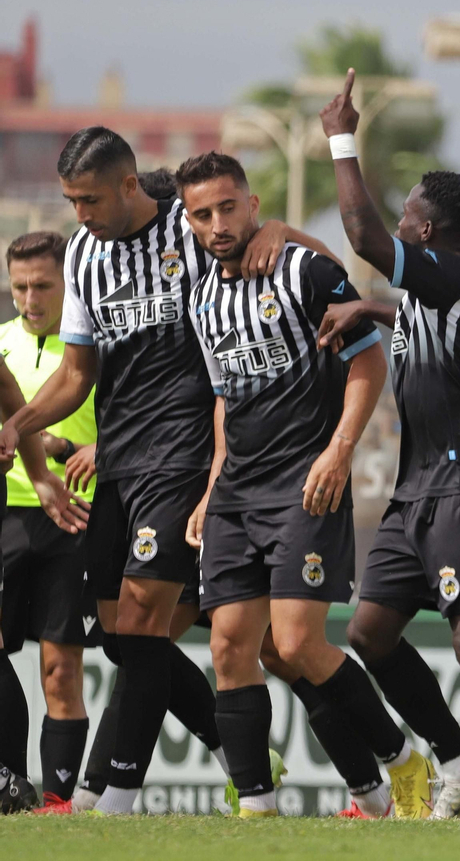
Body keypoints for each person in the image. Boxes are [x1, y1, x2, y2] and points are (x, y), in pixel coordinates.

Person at [0, 127, 325, 814]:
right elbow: (77, 373)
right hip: (118, 459)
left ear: (127, 186)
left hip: (186, 455)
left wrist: (286, 230)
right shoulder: (85, 253)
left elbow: (300, 263)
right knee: (120, 639)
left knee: (147, 622)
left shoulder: (191, 226)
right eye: (70, 200)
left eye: (89, 198)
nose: (79, 214)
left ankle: (110, 794)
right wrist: (16, 425)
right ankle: (235, 750)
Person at [173, 151, 435, 819]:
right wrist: (210, 486)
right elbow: (225, 398)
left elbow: (367, 362)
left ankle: (402, 758)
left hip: (306, 484)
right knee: (232, 644)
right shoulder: (202, 297)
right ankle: (257, 809)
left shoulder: (301, 269)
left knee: (294, 643)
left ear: (253, 205)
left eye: (228, 207)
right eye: (201, 214)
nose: (217, 223)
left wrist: (340, 450)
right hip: (235, 492)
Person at [313, 71, 460, 820]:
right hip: (419, 489)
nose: (398, 226)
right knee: (370, 630)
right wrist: (369, 308)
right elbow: (412, 315)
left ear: (427, 234)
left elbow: (361, 236)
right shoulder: (434, 295)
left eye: (408, 218)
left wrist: (341, 138)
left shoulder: (455, 276)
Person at [0, 232, 101, 813]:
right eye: (19, 287)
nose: (30, 298)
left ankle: (58, 803)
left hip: (72, 518)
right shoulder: (4, 346)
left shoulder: (89, 349)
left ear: (68, 284)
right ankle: (11, 781)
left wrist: (89, 451)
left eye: (43, 285)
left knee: (60, 669)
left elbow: (133, 420)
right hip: (6, 519)